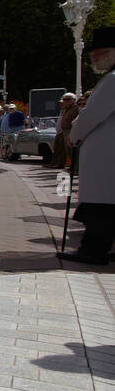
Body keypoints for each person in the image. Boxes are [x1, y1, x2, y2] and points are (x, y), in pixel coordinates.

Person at [58, 28, 115, 265]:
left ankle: (93, 250)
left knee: (101, 206)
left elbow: (92, 115)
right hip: (106, 153)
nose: (94, 59)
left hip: (106, 155)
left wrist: (76, 135)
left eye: (100, 54)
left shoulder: (112, 80)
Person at [52, 92, 79, 168]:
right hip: (65, 131)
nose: (65, 101)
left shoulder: (75, 108)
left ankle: (76, 167)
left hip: (71, 130)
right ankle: (73, 166)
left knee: (71, 149)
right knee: (67, 149)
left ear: (73, 100)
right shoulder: (66, 109)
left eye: (67, 99)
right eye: (64, 99)